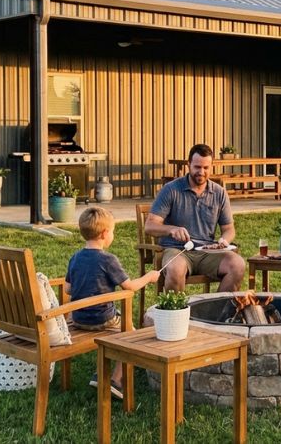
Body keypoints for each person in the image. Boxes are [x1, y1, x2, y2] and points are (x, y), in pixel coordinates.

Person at [66, 206, 160, 399]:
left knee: (122, 325)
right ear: (104, 233)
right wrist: (149, 277)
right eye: (113, 232)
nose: (113, 236)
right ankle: (114, 379)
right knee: (133, 336)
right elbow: (130, 287)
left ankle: (101, 374)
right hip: (102, 319)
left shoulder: (75, 258)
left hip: (78, 318)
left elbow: (67, 289)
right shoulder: (108, 260)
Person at [144, 143, 245, 292]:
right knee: (175, 268)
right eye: (197, 167)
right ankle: (176, 308)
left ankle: (216, 307)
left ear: (211, 167)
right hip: (177, 251)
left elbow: (229, 229)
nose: (201, 172)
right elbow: (150, 226)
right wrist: (172, 229)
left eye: (206, 168)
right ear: (188, 165)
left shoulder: (219, 193)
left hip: (208, 252)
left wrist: (224, 241)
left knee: (237, 265)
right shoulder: (171, 189)